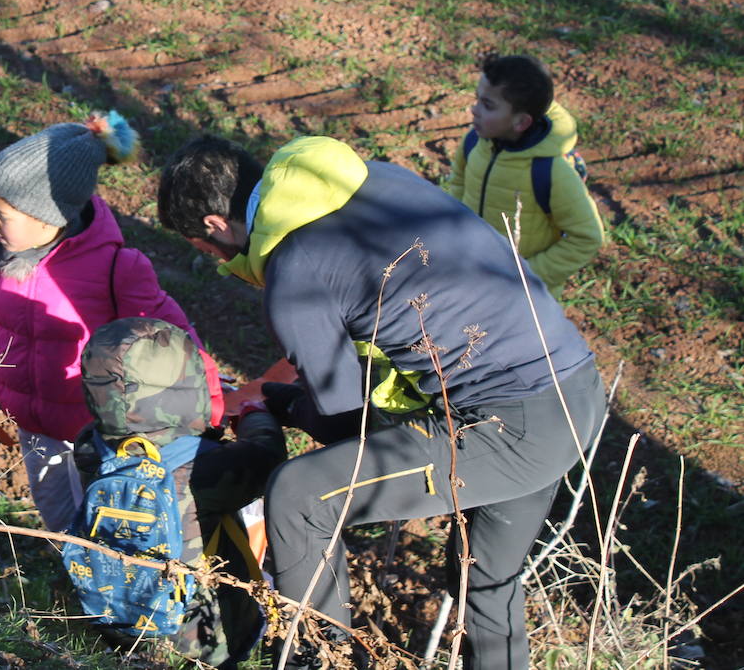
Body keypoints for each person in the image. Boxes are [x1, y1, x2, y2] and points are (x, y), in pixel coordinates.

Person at [157, 133, 607, 670]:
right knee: (483, 579)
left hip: (510, 423)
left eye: (200, 247)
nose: (210, 259)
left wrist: (274, 406)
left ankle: (322, 660)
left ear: (214, 226)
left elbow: (348, 425)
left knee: (301, 495)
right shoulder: (370, 177)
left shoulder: (294, 268)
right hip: (575, 386)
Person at [0, 111, 224, 532]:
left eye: (2, 214)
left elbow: (173, 341)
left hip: (100, 436)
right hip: (33, 428)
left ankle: (111, 579)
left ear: (46, 216)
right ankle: (72, 572)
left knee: (110, 521)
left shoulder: (115, 269)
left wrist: (210, 413)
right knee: (59, 514)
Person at [71, 317, 285, 668]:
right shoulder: (201, 467)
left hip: (118, 617)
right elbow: (270, 458)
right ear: (190, 384)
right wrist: (255, 416)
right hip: (201, 636)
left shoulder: (91, 447)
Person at [447, 54, 604, 296]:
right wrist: (457, 232)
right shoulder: (474, 142)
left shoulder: (550, 171)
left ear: (521, 122)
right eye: (476, 99)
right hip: (471, 276)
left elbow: (586, 237)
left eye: (488, 105)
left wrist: (525, 276)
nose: (474, 110)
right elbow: (458, 181)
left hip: (523, 298)